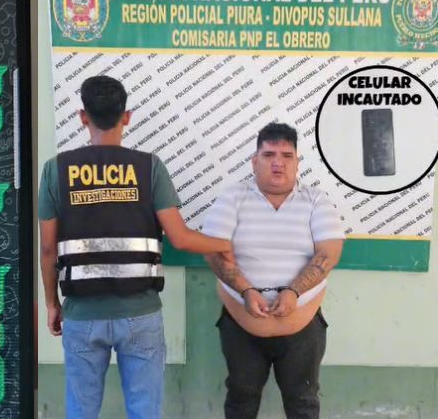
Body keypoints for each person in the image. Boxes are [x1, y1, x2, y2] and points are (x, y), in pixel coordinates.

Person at [38, 75, 233, 419]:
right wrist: (226, 244)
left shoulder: (56, 170)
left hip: (82, 314)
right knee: (145, 412)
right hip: (140, 314)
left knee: (81, 412)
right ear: (126, 116)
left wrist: (52, 303)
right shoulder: (148, 167)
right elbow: (180, 238)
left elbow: (48, 250)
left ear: (83, 116)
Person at [202, 122, 345, 419]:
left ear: (297, 162)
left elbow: (329, 253)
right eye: (268, 155)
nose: (278, 162)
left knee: (303, 403)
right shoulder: (232, 197)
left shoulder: (316, 200)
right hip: (241, 325)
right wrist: (245, 290)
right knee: (240, 401)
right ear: (255, 161)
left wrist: (294, 292)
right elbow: (213, 251)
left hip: (303, 327)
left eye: (286, 155)